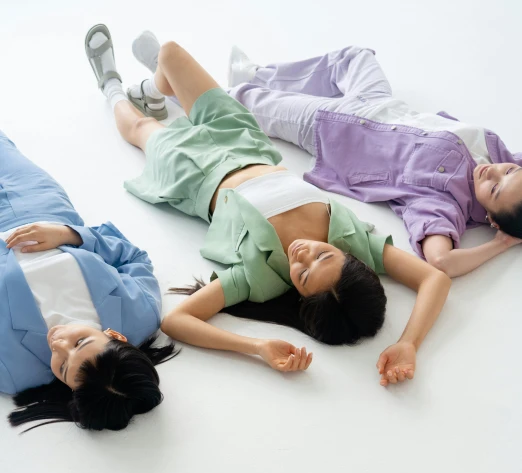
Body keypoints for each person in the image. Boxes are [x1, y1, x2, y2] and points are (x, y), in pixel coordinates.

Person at [86, 26, 451, 386]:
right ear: (348, 259)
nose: (302, 254)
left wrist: (257, 347)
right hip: (243, 140)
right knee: (169, 52)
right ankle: (154, 87)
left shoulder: (259, 279)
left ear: (299, 296)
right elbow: (434, 278)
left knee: (142, 128)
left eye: (302, 275)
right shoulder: (358, 243)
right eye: (324, 256)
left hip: (190, 170)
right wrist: (408, 342)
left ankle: (111, 86)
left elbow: (177, 320)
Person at [223, 45, 522, 278]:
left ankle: (186, 94)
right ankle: (255, 74)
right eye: (508, 171)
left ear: (493, 219)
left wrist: (501, 243)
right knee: (354, 57)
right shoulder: (501, 158)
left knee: (242, 101)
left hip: (331, 129)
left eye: (494, 190)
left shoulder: (444, 202)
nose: (491, 172)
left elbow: (441, 261)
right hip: (377, 102)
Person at [0, 130, 176, 431]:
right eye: (80, 341)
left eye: (63, 368)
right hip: (37, 201)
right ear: (115, 336)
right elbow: (134, 259)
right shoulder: (141, 313)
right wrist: (71, 235)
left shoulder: (14, 374)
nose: (58, 343)